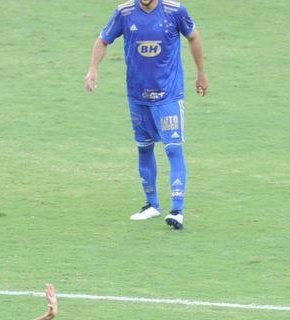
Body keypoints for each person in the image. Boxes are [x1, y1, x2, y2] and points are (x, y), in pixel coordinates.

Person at [84, 0, 209, 230]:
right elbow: (103, 39)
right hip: (138, 95)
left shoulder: (175, 11)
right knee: (144, 148)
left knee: (173, 148)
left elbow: (193, 37)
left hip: (168, 95)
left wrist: (201, 73)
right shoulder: (124, 12)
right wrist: (93, 68)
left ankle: (177, 210)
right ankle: (152, 205)